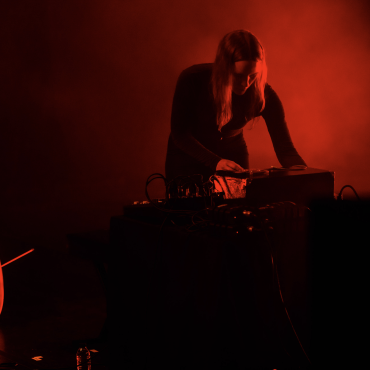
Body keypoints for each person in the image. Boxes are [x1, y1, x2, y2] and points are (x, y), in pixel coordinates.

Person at [165, 29, 307, 182]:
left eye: (252, 76)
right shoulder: (192, 79)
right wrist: (215, 162)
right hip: (188, 157)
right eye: (238, 76)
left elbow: (286, 150)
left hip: (233, 156)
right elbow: (180, 135)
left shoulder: (265, 95)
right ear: (223, 68)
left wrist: (313, 179)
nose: (245, 84)